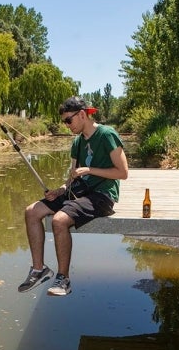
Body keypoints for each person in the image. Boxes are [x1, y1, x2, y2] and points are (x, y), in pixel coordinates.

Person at [18, 96, 129, 296]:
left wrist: (89, 170)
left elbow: (123, 173)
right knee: (31, 212)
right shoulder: (77, 142)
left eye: (68, 120)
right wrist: (60, 190)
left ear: (82, 114)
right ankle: (38, 269)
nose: (66, 125)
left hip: (103, 195)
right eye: (64, 122)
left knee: (59, 221)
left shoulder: (106, 135)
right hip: (78, 191)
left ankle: (63, 279)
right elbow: (72, 176)